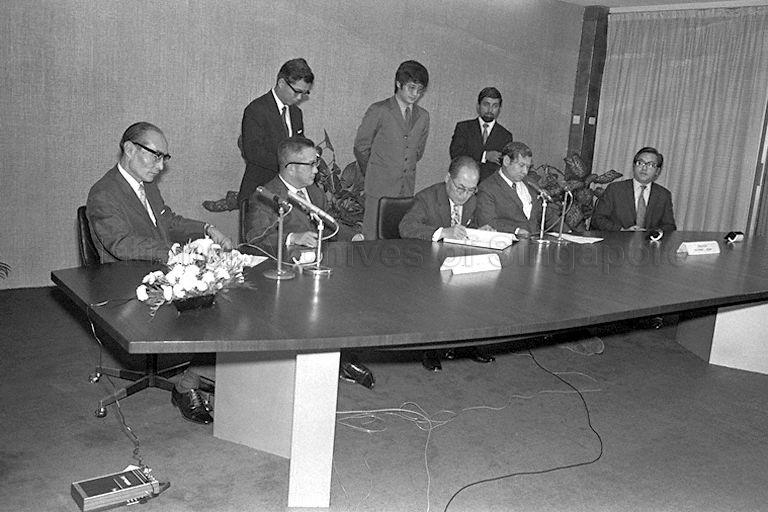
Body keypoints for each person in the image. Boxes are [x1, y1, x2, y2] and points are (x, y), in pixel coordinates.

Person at [86, 121, 233, 425]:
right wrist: (172, 253)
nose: (161, 165)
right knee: (210, 311)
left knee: (222, 294)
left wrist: (206, 228)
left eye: (165, 157)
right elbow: (121, 244)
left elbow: (169, 221)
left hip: (159, 272)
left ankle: (198, 374)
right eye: (155, 156)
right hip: (127, 282)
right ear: (129, 149)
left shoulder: (147, 186)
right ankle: (187, 383)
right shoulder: (104, 193)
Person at [245, 136, 375, 389]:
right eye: (312, 164)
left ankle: (341, 359)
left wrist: (355, 236)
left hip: (315, 268)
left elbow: (329, 227)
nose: (318, 170)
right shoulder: (266, 196)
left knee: (355, 293)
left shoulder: (314, 192)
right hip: (283, 276)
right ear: (291, 167)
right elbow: (254, 239)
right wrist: (293, 237)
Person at [399, 156, 496, 371]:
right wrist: (443, 231)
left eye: (471, 190)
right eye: (461, 188)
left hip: (460, 260)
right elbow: (406, 227)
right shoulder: (427, 197)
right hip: (427, 263)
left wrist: (485, 230)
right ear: (447, 179)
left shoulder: (472, 199)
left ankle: (470, 344)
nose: (465, 195)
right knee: (437, 290)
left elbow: (480, 224)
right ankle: (430, 349)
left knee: (480, 286)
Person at [204, 58, 314, 213]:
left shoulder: (296, 113)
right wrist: (288, 165)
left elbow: (297, 149)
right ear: (281, 83)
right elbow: (253, 153)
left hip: (288, 195)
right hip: (260, 194)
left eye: (304, 93)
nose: (300, 98)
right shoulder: (256, 110)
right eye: (297, 91)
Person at [354, 60, 430, 241]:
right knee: (371, 242)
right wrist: (375, 171)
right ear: (398, 83)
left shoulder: (424, 116)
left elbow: (418, 151)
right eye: (411, 88)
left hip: (406, 190)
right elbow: (361, 147)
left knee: (397, 240)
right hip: (378, 189)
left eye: (420, 90)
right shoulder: (379, 110)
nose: (415, 94)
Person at [476, 141, 559, 237]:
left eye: (528, 167)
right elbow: (487, 222)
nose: (525, 172)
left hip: (534, 242)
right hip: (508, 243)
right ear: (506, 161)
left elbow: (546, 213)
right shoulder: (487, 187)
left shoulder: (531, 183)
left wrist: (567, 232)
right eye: (521, 165)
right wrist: (516, 230)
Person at [591, 146, 677, 232]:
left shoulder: (663, 195)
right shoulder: (615, 189)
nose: (644, 168)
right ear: (633, 166)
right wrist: (622, 230)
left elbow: (669, 226)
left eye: (651, 165)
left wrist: (649, 233)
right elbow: (598, 219)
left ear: (657, 171)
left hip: (648, 243)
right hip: (617, 241)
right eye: (640, 163)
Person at [449, 87, 514, 182]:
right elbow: (456, 155)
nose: (490, 109)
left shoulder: (505, 136)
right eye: (486, 105)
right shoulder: (463, 128)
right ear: (478, 106)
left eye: (495, 106)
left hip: (490, 187)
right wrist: (484, 155)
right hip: (463, 182)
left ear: (499, 109)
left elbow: (504, 167)